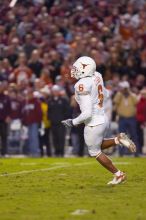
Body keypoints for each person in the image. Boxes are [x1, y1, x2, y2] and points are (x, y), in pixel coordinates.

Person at [62, 56, 136, 185]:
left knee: (94, 151)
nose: (74, 70)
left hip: (93, 122)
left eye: (78, 68)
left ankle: (118, 174)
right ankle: (118, 139)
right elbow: (106, 94)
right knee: (96, 144)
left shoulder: (81, 84)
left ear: (86, 69)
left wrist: (72, 122)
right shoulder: (97, 75)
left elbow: (87, 113)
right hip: (103, 118)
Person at [114, 81, 138, 156]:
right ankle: (121, 153)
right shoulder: (119, 95)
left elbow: (136, 102)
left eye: (124, 88)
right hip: (122, 118)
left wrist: (129, 92)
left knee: (134, 135)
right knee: (121, 136)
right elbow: (115, 101)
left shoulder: (132, 95)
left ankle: (136, 152)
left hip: (132, 118)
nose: (123, 90)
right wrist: (120, 93)